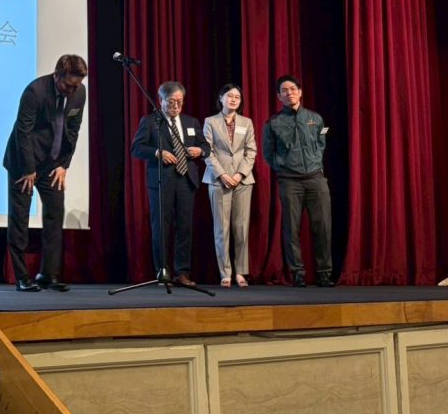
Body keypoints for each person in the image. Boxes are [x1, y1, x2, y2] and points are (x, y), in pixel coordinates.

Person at [4, 54, 88, 292]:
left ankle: (47, 275)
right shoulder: (35, 91)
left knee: (54, 215)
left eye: (76, 85)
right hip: (23, 163)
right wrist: (28, 169)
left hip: (52, 164)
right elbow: (23, 132)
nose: (72, 90)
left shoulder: (79, 93)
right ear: (57, 75)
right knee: (19, 219)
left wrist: (64, 164)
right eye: (68, 85)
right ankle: (22, 277)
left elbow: (73, 129)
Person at [130, 81, 210, 286]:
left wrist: (200, 151)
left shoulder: (191, 122)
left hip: (186, 180)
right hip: (161, 181)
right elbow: (136, 148)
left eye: (180, 101)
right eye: (171, 101)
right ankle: (163, 271)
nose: (176, 106)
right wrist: (158, 152)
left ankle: (182, 273)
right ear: (161, 101)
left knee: (185, 227)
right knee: (161, 227)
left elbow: (205, 146)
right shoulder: (151, 122)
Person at [262, 74, 334, 288]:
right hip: (290, 182)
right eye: (284, 90)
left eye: (293, 89)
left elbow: (321, 143)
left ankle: (324, 273)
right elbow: (268, 153)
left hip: (316, 180)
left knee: (323, 227)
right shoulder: (273, 123)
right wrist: (283, 166)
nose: (289, 93)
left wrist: (315, 161)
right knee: (291, 229)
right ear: (279, 96)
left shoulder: (315, 118)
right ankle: (298, 274)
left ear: (300, 92)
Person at [202, 84, 257, 288]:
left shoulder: (246, 122)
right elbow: (207, 151)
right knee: (221, 229)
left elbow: (251, 151)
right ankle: (225, 272)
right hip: (218, 180)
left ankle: (241, 271)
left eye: (237, 97)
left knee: (241, 228)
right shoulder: (210, 121)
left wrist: (239, 174)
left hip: (243, 180)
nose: (233, 99)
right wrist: (223, 174)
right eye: (229, 96)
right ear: (221, 98)